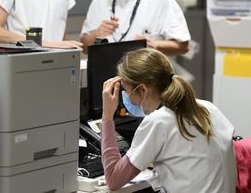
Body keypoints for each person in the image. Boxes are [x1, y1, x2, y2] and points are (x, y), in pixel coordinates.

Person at [101, 48, 237, 192]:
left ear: (143, 90)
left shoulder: (158, 121)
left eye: (126, 91)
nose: (126, 97)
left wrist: (107, 116)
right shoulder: (207, 107)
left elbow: (113, 180)